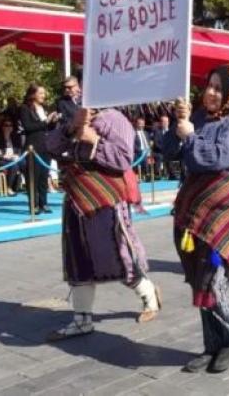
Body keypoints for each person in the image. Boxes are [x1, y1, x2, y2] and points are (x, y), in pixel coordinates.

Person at [163, 64, 229, 373]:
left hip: (220, 209)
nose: (212, 93)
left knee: (215, 279)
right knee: (199, 277)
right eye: (209, 86)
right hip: (194, 207)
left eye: (219, 88)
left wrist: (190, 138)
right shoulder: (199, 117)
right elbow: (169, 151)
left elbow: (216, 157)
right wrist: (181, 123)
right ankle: (212, 345)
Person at [43, 105, 160, 341]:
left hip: (105, 198)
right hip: (76, 198)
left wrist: (94, 140)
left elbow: (123, 159)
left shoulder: (115, 119)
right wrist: (71, 127)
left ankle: (149, 296)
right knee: (77, 258)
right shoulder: (76, 115)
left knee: (116, 256)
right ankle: (82, 319)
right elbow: (52, 146)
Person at [20, 84, 59, 214]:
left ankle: (44, 203)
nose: (43, 96)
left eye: (44, 93)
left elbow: (48, 127)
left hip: (45, 146)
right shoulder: (25, 108)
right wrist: (45, 122)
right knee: (34, 177)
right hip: (33, 147)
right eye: (41, 93)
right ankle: (34, 205)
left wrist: (53, 121)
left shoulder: (44, 108)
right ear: (33, 94)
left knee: (43, 176)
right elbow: (28, 127)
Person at [0, 115, 24, 195]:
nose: (8, 127)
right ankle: (9, 187)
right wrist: (4, 155)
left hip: (14, 159)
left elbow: (19, 150)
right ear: (2, 127)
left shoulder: (15, 137)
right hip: (2, 160)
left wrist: (16, 155)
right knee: (14, 166)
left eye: (10, 125)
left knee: (26, 163)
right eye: (6, 125)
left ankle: (30, 187)